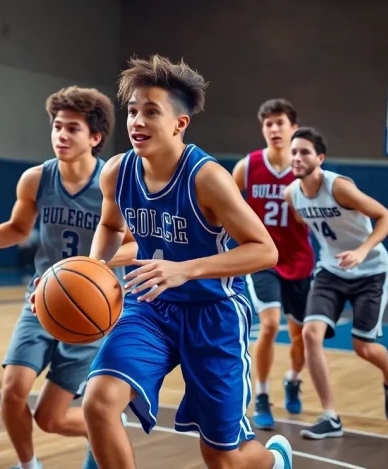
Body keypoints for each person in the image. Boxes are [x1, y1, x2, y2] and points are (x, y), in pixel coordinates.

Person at [75, 54, 293, 469]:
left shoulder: (207, 178)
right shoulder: (117, 172)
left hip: (213, 314)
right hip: (149, 306)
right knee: (98, 402)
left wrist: (185, 269)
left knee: (220, 457)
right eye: (133, 111)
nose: (137, 121)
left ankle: (273, 460)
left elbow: (265, 250)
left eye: (151, 111)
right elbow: (109, 225)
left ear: (180, 123)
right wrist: (86, 273)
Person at [0, 86, 136, 469]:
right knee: (12, 391)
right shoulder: (36, 179)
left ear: (95, 137)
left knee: (49, 419)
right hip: (42, 301)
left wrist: (90, 267)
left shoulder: (113, 184)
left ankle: (100, 426)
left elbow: (137, 245)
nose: (61, 135)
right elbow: (18, 229)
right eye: (56, 127)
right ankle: (28, 465)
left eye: (72, 128)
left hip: (92, 312)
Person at [285, 127, 388, 439]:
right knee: (311, 334)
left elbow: (387, 217)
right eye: (294, 152)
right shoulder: (292, 195)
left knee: (363, 348)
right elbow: (307, 226)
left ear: (320, 158)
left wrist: (362, 250)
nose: (297, 157)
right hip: (331, 271)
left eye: (305, 152)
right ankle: (331, 417)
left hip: (371, 270)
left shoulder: (339, 187)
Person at [232, 98, 315, 429]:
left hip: (299, 261)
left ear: (293, 128)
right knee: (268, 325)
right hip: (263, 258)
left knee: (303, 337)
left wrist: (297, 205)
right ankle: (262, 396)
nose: (274, 129)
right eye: (268, 124)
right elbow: (224, 206)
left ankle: (293, 378)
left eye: (280, 123)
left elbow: (314, 219)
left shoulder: (306, 171)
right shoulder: (247, 167)